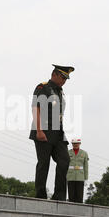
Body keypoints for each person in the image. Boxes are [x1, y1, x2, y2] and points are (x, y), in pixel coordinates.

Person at [29, 65, 74, 201]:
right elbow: (35, 108)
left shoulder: (60, 91)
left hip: (58, 133)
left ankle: (59, 197)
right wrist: (39, 130)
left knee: (64, 161)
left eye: (66, 79)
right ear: (54, 74)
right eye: (62, 77)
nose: (64, 81)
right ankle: (41, 195)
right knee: (44, 163)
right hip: (43, 130)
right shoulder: (43, 88)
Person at [67, 138, 89, 203]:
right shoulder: (68, 152)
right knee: (71, 196)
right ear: (72, 144)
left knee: (79, 196)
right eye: (74, 143)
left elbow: (86, 166)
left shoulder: (84, 153)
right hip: (70, 176)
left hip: (80, 176)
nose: (75, 144)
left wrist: (86, 178)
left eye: (77, 143)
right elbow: (65, 165)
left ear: (79, 144)